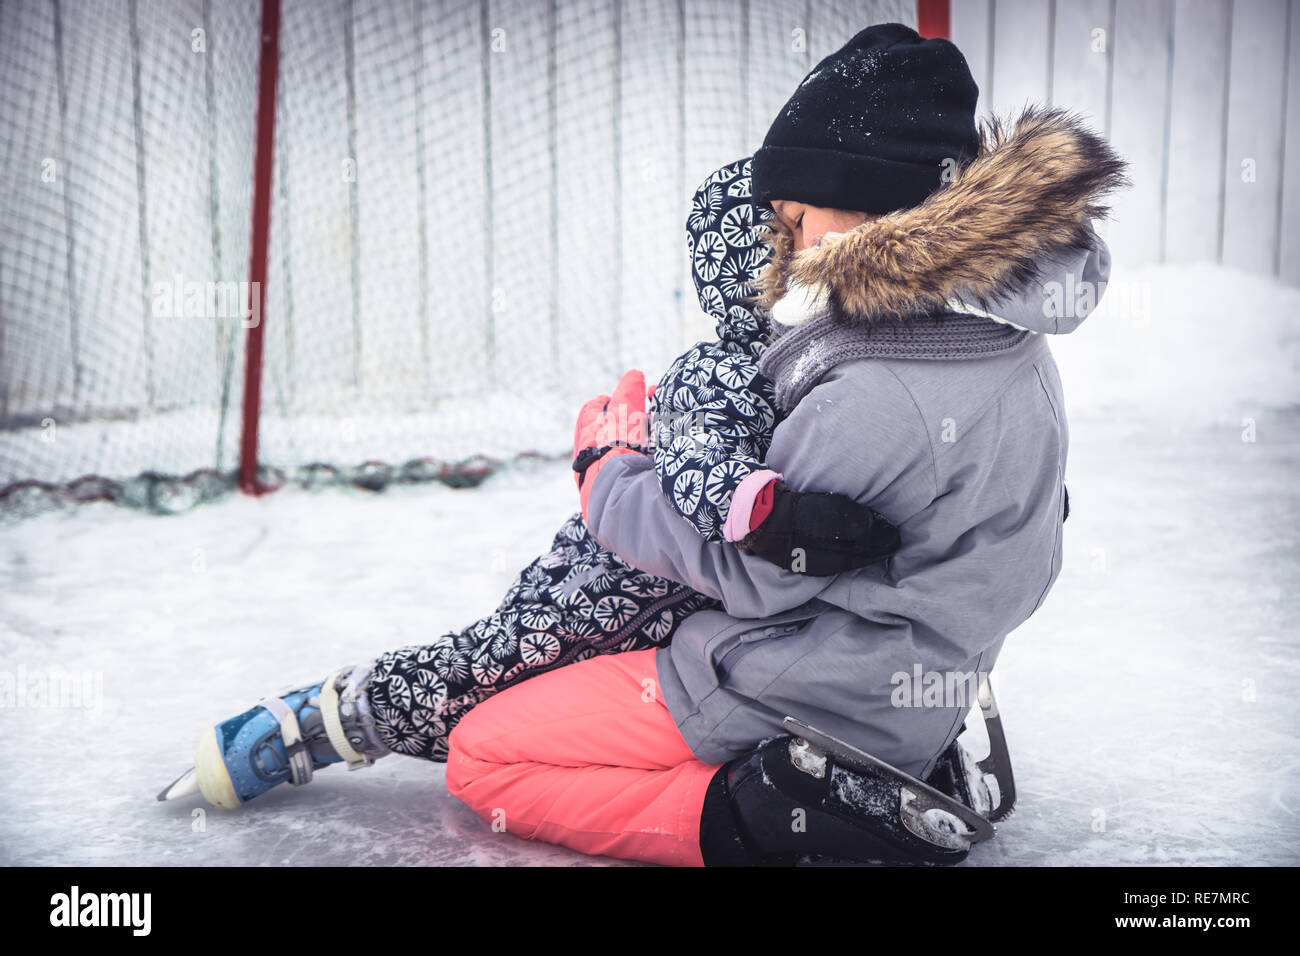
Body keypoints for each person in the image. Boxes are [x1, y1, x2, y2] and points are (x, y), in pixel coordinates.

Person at [166, 23, 1126, 867]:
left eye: (799, 211)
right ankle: (904, 745)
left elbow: (753, 576)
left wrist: (611, 472)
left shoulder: (877, 392)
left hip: (796, 686)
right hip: (898, 662)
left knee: (486, 757)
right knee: (556, 645)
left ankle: (768, 814)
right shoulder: (1013, 345)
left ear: (875, 207)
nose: (782, 234)